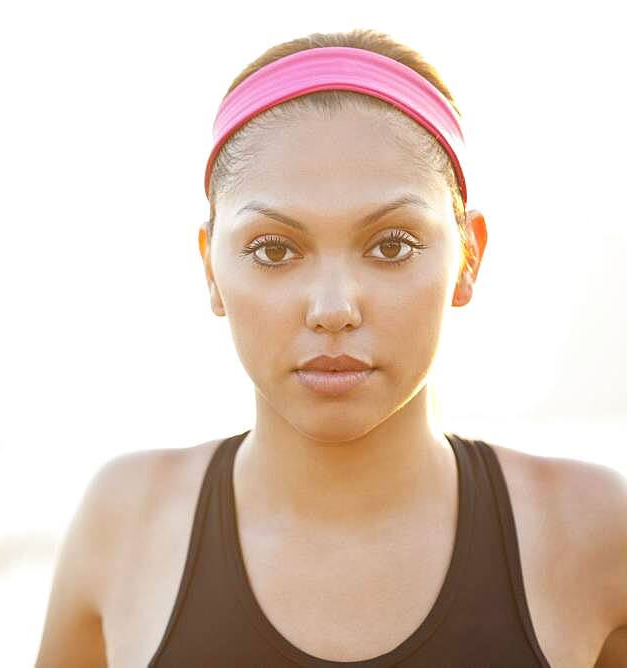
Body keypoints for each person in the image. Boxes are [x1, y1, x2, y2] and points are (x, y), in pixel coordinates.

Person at [34, 29, 627, 667]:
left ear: (468, 256)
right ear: (211, 269)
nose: (333, 309)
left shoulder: (590, 532)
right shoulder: (126, 524)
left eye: (392, 245)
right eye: (274, 250)